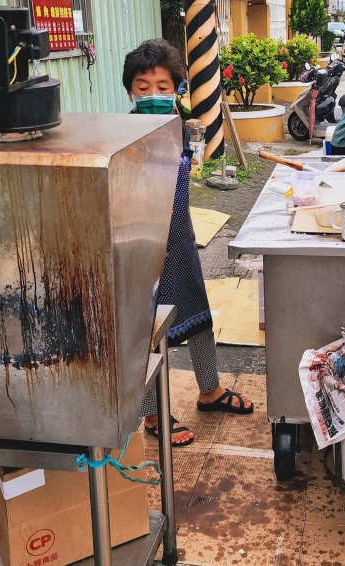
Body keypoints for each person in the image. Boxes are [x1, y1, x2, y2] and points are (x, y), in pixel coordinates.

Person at [123, 39, 253, 447]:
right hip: (141, 246)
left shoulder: (180, 126)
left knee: (198, 313)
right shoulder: (125, 132)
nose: (152, 94)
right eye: (143, 87)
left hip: (179, 237)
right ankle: (151, 414)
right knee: (145, 330)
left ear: (177, 89)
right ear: (130, 90)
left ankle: (210, 390)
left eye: (163, 86)